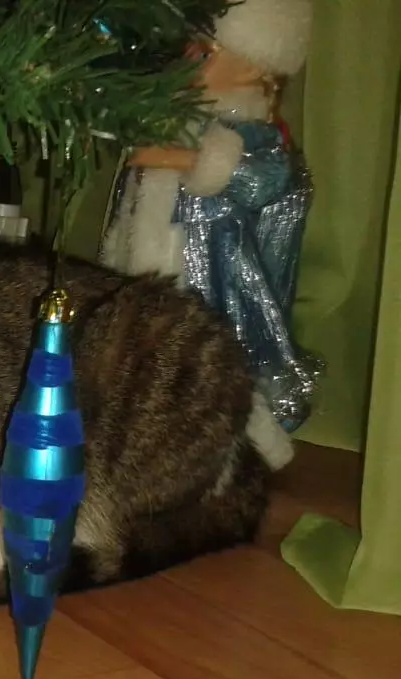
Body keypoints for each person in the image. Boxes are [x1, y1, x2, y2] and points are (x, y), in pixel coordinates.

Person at [100, 0, 318, 431]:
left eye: (206, 52)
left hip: (211, 273)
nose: (189, 58)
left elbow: (265, 179)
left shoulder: (252, 131)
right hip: (157, 258)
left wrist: (181, 159)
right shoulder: (182, 116)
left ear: (253, 67)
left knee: (201, 354)